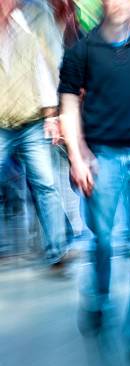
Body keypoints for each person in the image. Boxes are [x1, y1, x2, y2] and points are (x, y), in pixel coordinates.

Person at [59, 0, 130, 366]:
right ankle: (99, 296)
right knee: (102, 239)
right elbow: (69, 105)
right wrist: (77, 156)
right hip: (101, 158)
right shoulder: (82, 50)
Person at [0, 0, 71, 267]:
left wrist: (52, 114)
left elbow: (48, 67)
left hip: (32, 118)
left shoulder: (37, 15)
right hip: (1, 119)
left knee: (45, 184)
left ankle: (57, 250)